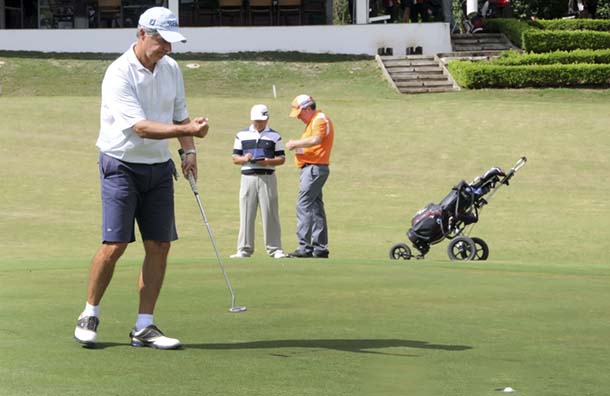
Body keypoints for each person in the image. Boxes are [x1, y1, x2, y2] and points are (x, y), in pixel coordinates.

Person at [73, 7, 209, 350]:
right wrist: (186, 130)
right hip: (121, 166)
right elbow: (141, 128)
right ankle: (89, 313)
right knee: (115, 245)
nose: (168, 49)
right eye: (162, 41)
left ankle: (144, 327)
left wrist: (188, 151)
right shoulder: (119, 73)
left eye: (171, 42)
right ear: (142, 34)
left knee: (160, 245)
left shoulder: (171, 69)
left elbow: (181, 113)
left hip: (159, 169)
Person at [230, 104, 287, 259]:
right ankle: (244, 249)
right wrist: (245, 158)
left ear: (267, 119)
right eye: (256, 121)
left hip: (267, 177)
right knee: (246, 214)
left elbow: (282, 158)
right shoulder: (241, 135)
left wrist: (268, 161)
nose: (258, 124)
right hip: (247, 177)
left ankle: (275, 249)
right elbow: (235, 158)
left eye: (261, 121)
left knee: (270, 213)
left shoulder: (275, 136)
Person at [285, 95, 334, 259]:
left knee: (303, 204)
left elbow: (317, 139)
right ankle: (320, 247)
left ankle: (304, 247)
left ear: (307, 108)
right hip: (311, 167)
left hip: (314, 168)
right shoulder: (312, 122)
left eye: (300, 113)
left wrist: (295, 144)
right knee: (315, 206)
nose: (298, 117)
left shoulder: (320, 119)